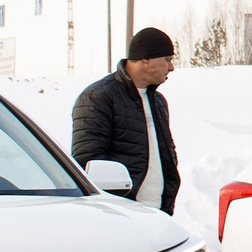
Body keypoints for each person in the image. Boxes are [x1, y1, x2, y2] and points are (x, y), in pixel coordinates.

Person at [71, 28, 180, 211]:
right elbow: (89, 165)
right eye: (167, 60)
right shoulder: (98, 97)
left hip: (158, 213)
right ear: (146, 59)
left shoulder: (158, 102)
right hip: (121, 216)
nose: (171, 67)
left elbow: (167, 156)